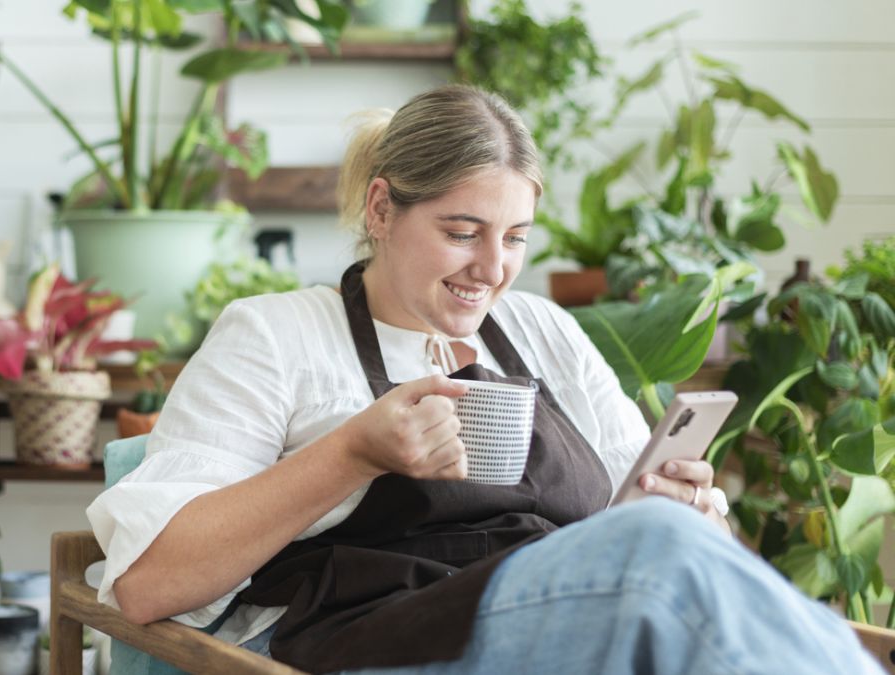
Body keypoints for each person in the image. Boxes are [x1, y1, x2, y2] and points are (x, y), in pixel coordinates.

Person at [87, 85, 881, 674]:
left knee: (673, 539)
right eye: (462, 232)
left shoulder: (542, 330)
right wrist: (355, 451)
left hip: (555, 631)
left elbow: (639, 536)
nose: (492, 269)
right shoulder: (277, 334)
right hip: (375, 641)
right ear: (381, 209)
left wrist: (681, 509)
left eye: (516, 238)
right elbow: (151, 582)